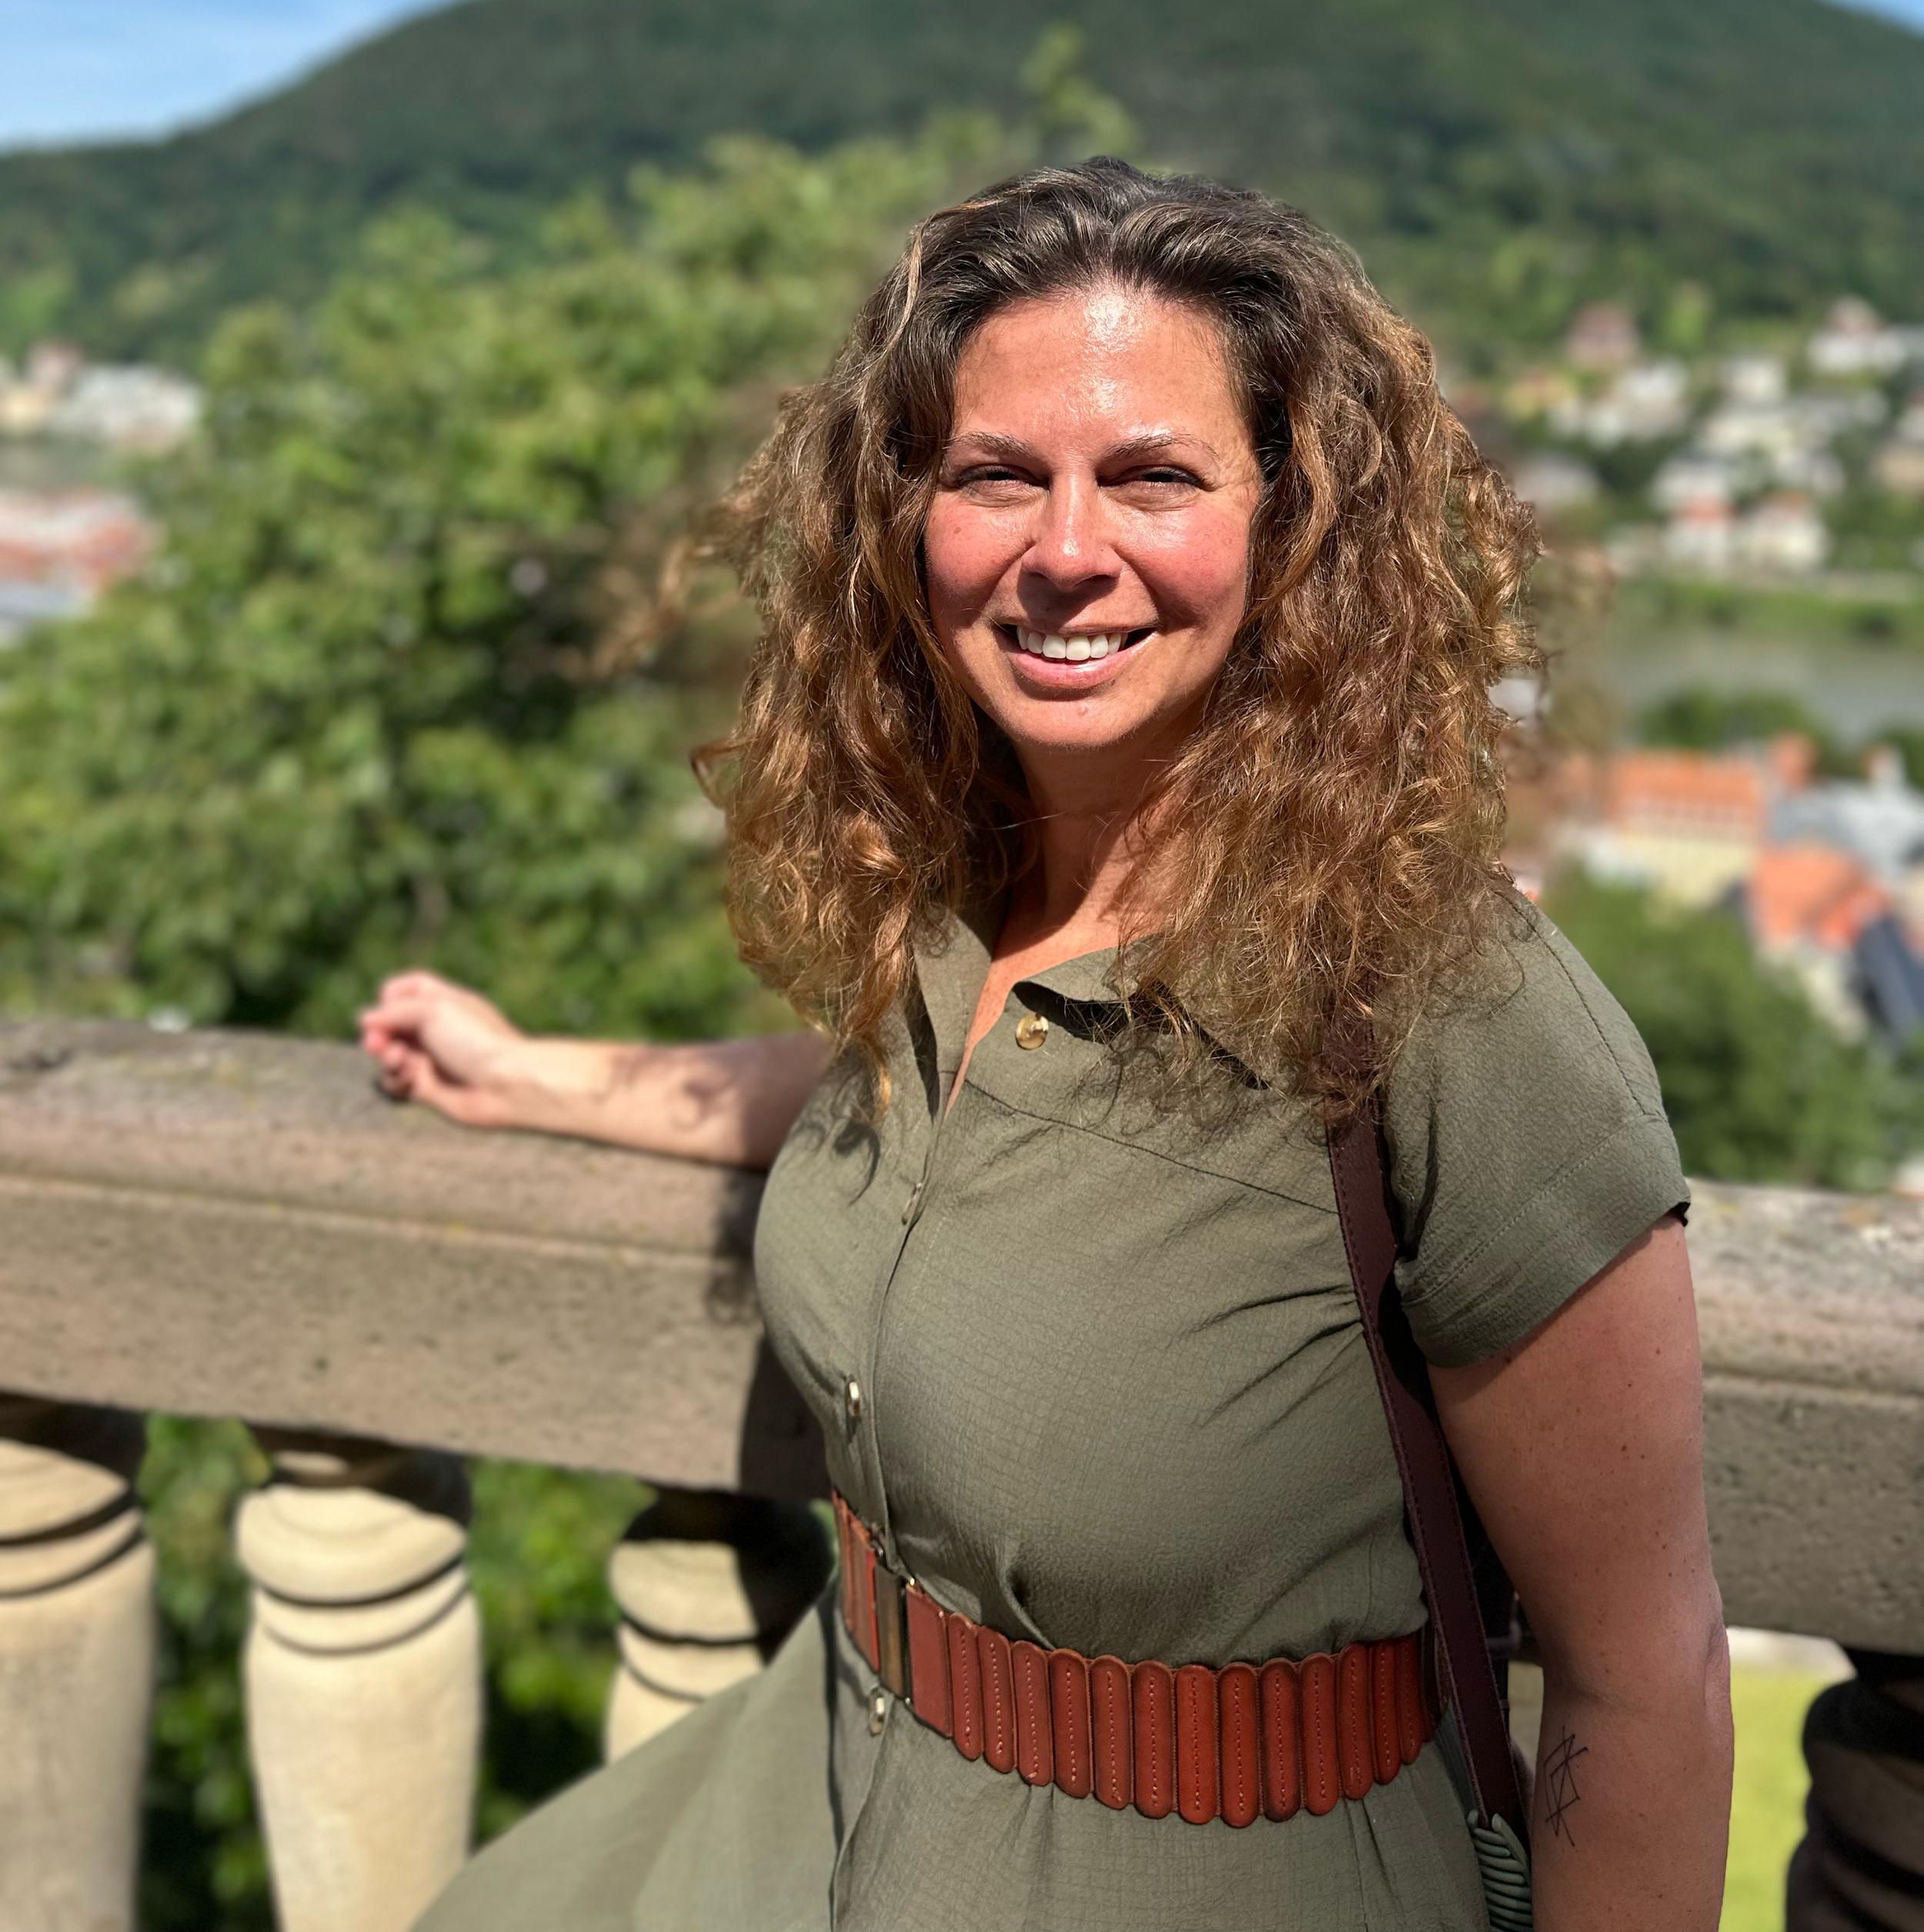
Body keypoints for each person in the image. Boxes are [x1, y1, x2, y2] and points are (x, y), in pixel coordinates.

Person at [363, 159, 1732, 1932]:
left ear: (1291, 521)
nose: (1063, 547)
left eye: (1151, 477)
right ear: (905, 512)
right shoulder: (952, 887)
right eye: (994, 474)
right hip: (834, 1775)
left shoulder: (1442, 1000)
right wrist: (540, 1074)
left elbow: (1646, 1683)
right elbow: (909, 1104)